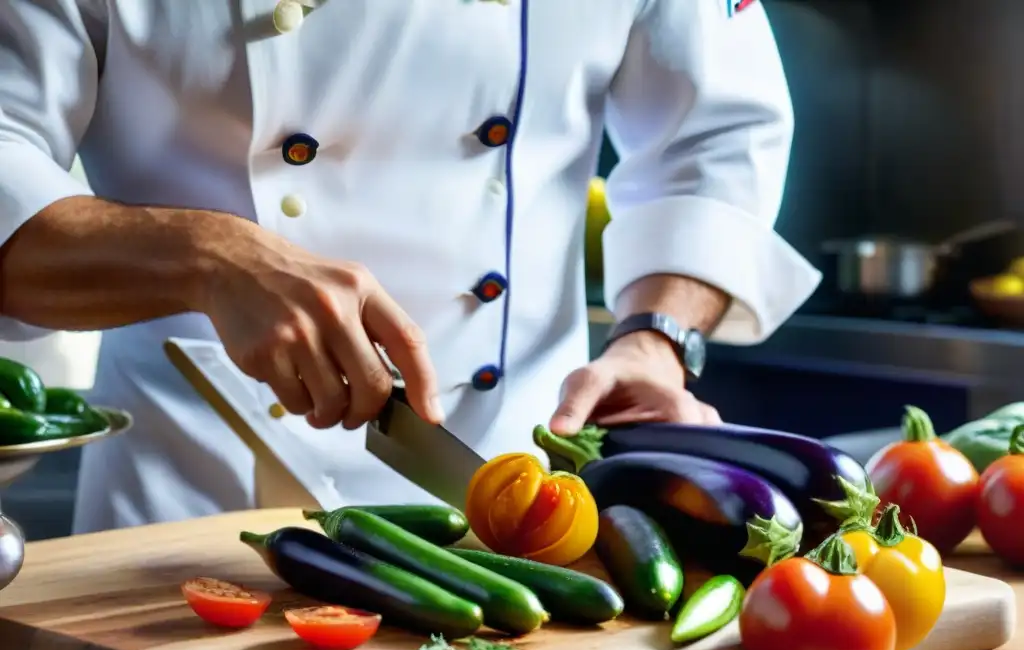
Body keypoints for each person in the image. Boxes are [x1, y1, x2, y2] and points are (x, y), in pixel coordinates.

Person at [0, 0, 821, 533]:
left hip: (530, 485)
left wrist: (654, 336)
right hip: (197, 503)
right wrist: (209, 257)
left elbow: (715, 134)